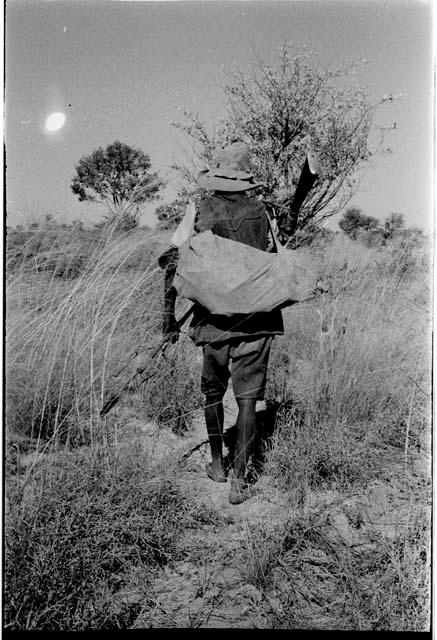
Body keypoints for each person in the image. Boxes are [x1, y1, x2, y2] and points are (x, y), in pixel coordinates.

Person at [159, 141, 292, 505]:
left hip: (214, 321)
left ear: (215, 176)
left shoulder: (198, 209)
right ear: (246, 178)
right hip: (258, 319)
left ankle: (217, 464)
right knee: (249, 402)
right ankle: (239, 480)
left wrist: (167, 317)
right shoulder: (264, 212)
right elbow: (275, 258)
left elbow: (173, 260)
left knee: (213, 394)